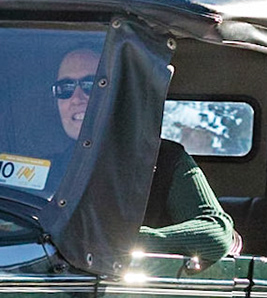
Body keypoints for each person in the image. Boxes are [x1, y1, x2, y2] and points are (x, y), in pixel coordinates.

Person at [52, 47, 233, 267]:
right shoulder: (49, 168)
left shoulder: (164, 159)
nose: (76, 98)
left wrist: (129, 242)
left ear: (118, 93)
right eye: (65, 88)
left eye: (91, 85)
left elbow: (217, 231)